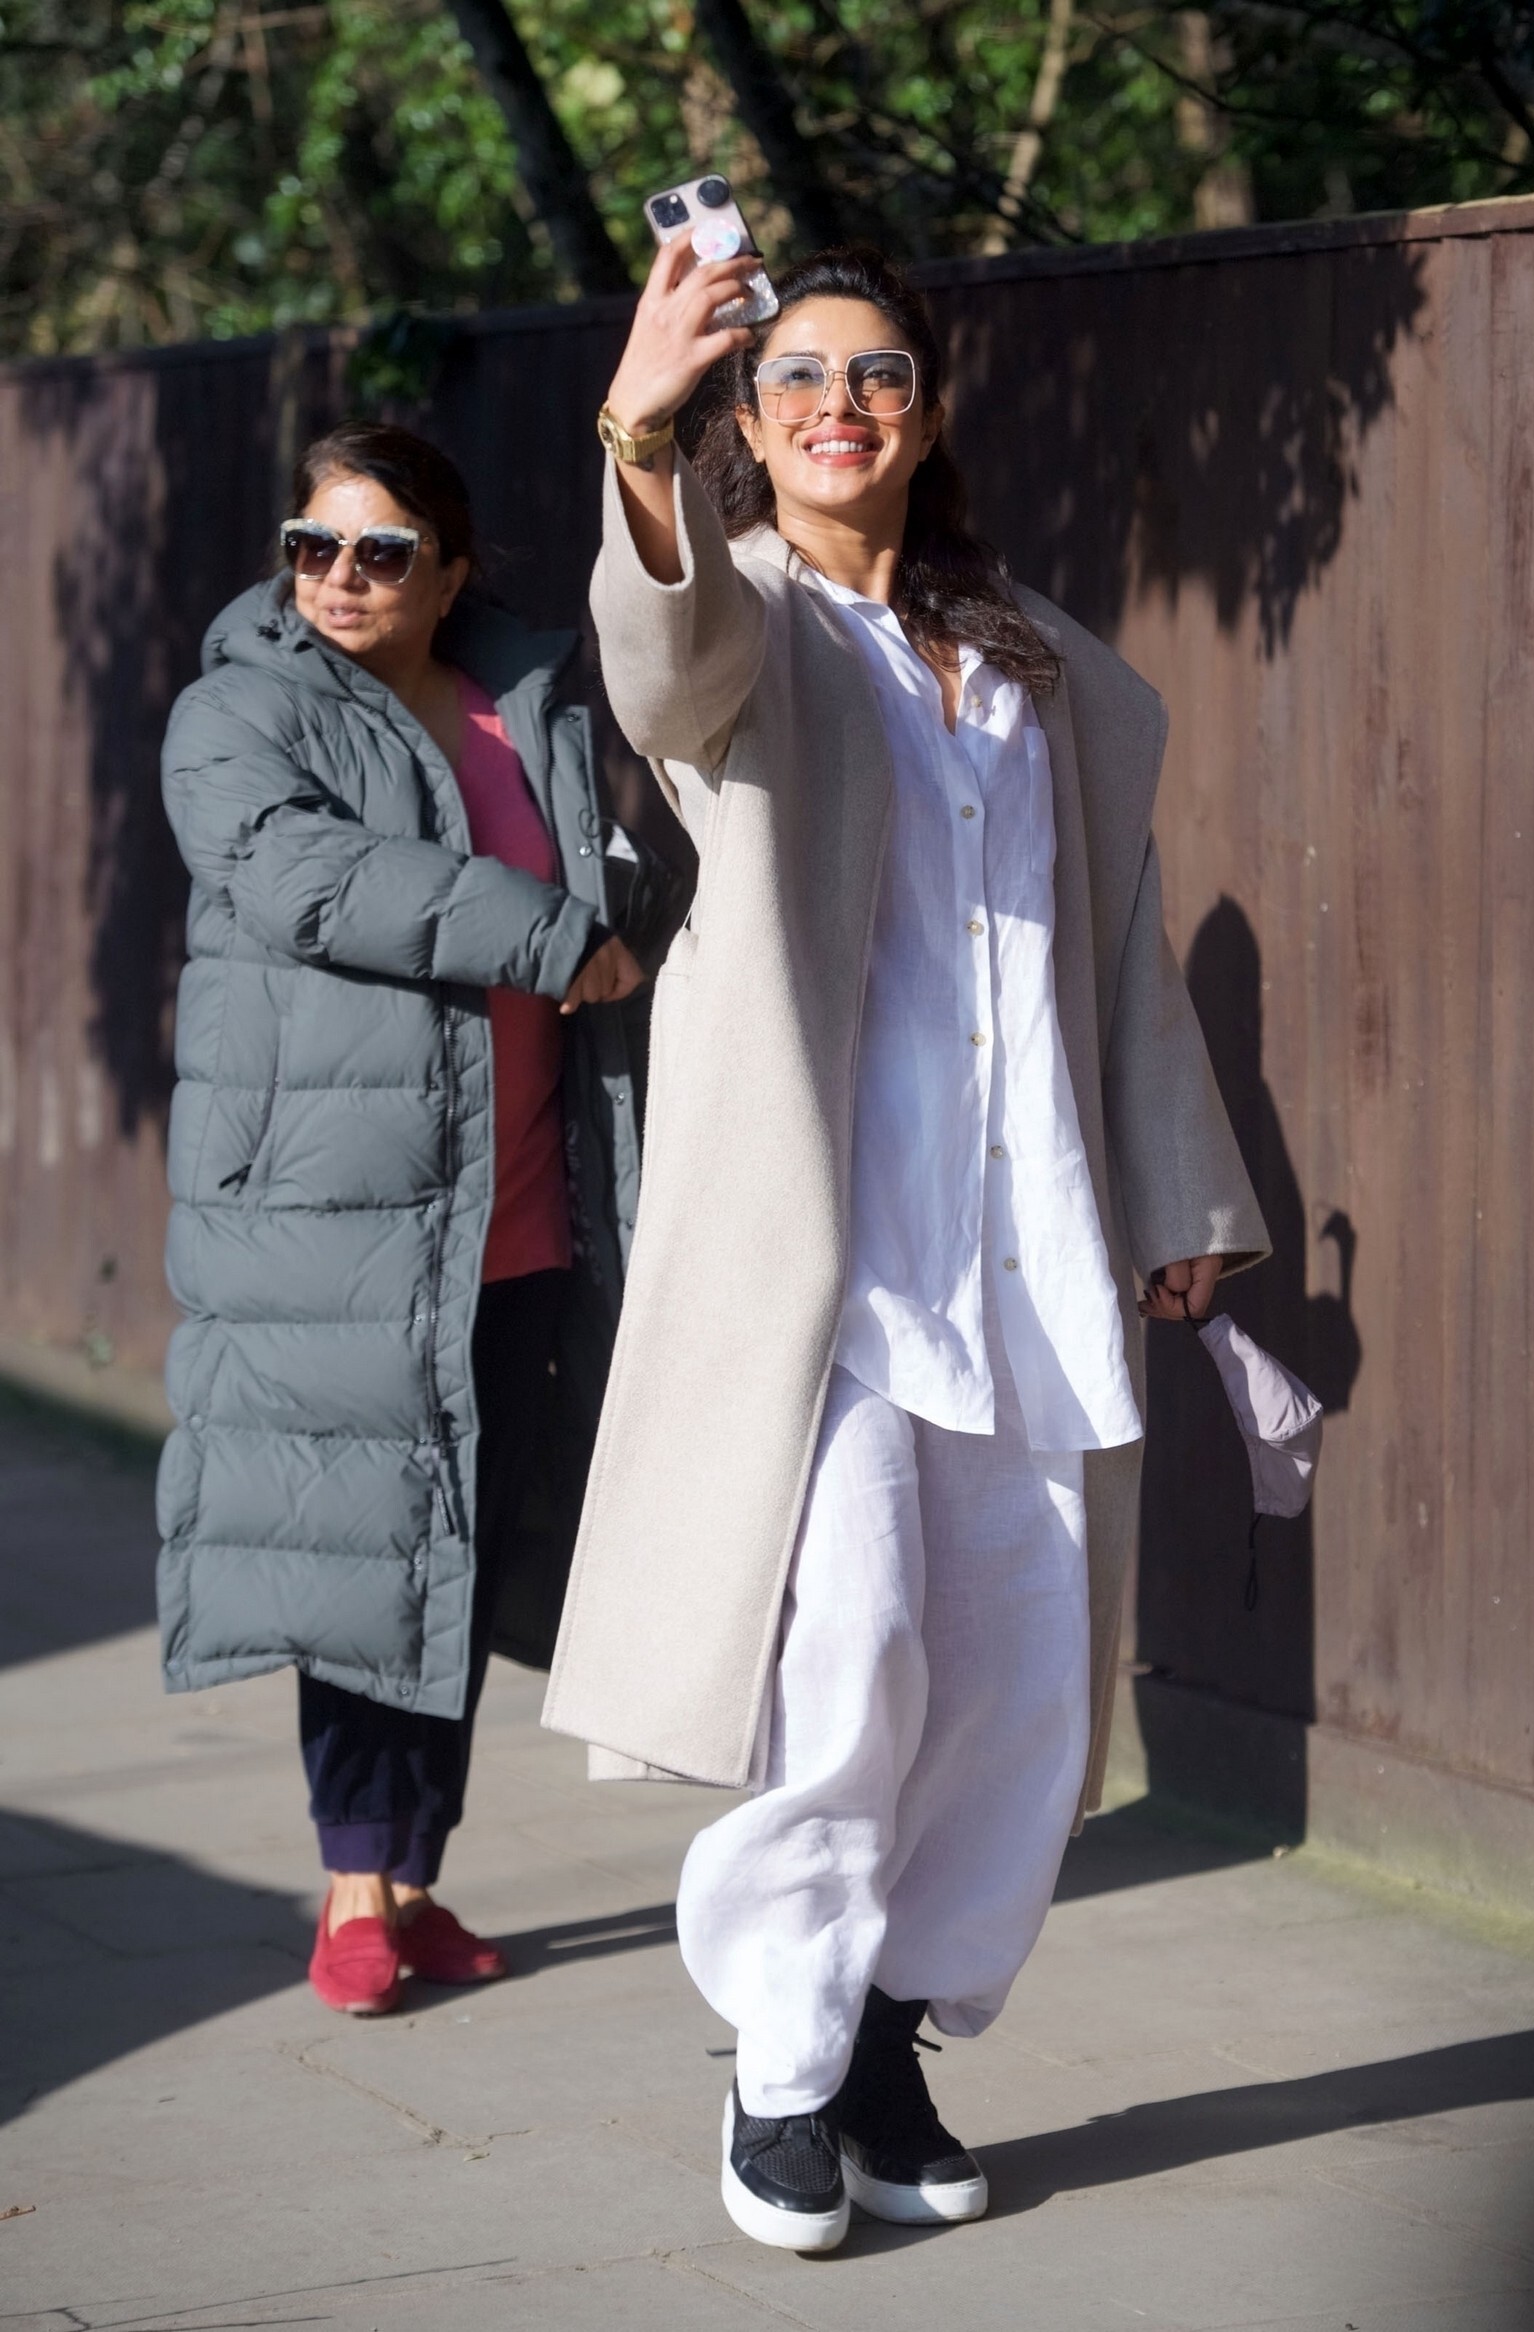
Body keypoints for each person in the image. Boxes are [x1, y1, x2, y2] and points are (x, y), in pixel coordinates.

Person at [542, 240, 1271, 2252]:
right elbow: (656, 660)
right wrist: (637, 432)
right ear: (748, 419)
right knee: (849, 1651)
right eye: (793, 377)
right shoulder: (748, 630)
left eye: (875, 374)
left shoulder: (1030, 662)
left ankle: (882, 2034)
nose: (835, 406)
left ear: (927, 411)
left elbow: (1113, 956)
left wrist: (1178, 1196)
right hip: (833, 1256)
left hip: (1023, 1237)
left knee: (1017, 1682)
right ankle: (780, 2068)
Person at [158, 421, 685, 2016]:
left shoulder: (531, 707)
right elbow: (305, 878)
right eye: (311, 546)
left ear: (450, 575)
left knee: (461, 1546)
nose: (338, 577)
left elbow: (633, 872)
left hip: (518, 1206)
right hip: (338, 1217)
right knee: (359, 1553)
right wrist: (551, 934)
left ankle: (415, 1871)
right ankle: (353, 1884)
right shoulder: (237, 713)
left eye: (380, 552)